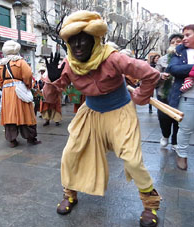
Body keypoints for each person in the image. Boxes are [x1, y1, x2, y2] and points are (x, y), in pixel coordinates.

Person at [42, 11, 161, 227]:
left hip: (120, 111)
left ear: (95, 39)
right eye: (73, 39)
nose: (77, 44)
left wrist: (140, 98)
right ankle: (69, 193)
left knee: (132, 160)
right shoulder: (68, 65)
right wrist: (51, 80)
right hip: (91, 112)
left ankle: (150, 203)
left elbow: (151, 74)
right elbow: (50, 98)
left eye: (83, 38)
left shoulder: (113, 57)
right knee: (70, 153)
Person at [0, 40, 41, 148]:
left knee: (9, 115)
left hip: (7, 93)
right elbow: (28, 75)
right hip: (20, 91)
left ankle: (12, 140)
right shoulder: (21, 62)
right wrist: (28, 86)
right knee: (26, 113)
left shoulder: (1, 64)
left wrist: (5, 87)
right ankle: (31, 138)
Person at [166, 24, 194, 170]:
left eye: (188, 35)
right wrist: (192, 69)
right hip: (186, 97)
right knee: (185, 128)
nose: (184, 39)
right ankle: (181, 155)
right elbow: (173, 69)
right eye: (183, 35)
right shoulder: (179, 51)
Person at [155, 33, 183, 151]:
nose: (176, 44)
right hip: (164, 93)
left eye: (179, 41)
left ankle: (175, 141)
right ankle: (165, 135)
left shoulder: (186, 58)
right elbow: (154, 75)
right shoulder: (162, 59)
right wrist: (161, 76)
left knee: (178, 118)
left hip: (180, 93)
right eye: (173, 42)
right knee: (163, 117)